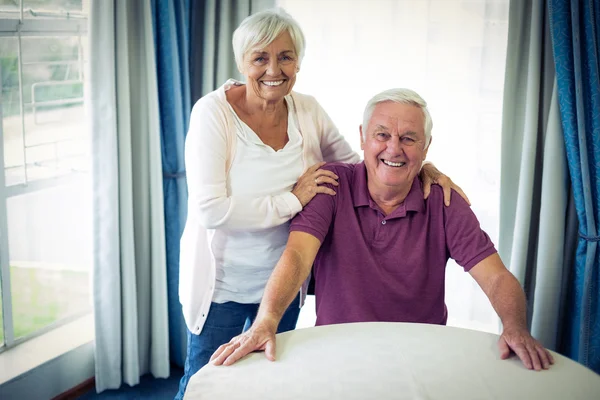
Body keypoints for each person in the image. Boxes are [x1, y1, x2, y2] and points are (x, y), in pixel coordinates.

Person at [175, 9, 467, 398]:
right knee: (206, 382)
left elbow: (360, 163)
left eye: (286, 56)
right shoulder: (213, 114)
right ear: (241, 61)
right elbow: (211, 210)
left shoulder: (306, 109)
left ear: (298, 61)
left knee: (268, 383)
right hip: (223, 287)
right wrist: (292, 200)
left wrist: (418, 166)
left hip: (282, 284)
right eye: (260, 57)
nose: (273, 69)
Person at [210, 88, 555, 372]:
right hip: (336, 352)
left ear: (426, 147)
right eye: (382, 135)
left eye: (408, 138)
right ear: (362, 137)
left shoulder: (444, 200)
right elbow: (298, 256)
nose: (394, 148)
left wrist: (516, 327)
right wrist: (266, 320)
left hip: (422, 357)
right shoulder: (330, 185)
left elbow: (494, 276)